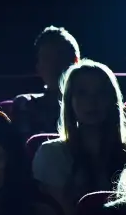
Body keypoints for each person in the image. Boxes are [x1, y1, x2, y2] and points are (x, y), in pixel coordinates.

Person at [33, 59, 126, 207]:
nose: (92, 101)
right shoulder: (51, 154)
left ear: (111, 100)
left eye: (100, 93)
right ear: (70, 100)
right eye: (82, 93)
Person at [12, 26, 80, 139]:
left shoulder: (91, 105)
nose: (54, 65)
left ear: (76, 62)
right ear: (38, 67)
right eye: (47, 58)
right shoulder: (25, 105)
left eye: (61, 56)